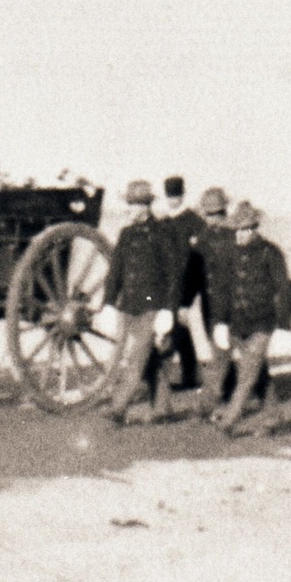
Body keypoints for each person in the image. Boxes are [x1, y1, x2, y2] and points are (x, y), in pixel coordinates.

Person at [211, 203, 291, 436]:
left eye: (245, 230)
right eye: (236, 230)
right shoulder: (228, 253)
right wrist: (219, 321)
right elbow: (221, 289)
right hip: (238, 323)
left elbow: (283, 289)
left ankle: (230, 419)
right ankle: (273, 417)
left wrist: (285, 324)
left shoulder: (271, 252)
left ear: (255, 229)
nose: (240, 234)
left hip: (262, 323)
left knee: (247, 375)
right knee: (258, 372)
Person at [101, 180, 181, 424]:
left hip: (152, 306)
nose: (132, 209)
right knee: (149, 358)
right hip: (129, 306)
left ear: (147, 207)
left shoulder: (162, 233)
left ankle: (118, 408)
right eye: (131, 204)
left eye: (137, 205)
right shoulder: (126, 234)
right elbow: (115, 271)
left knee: (136, 359)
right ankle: (163, 409)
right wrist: (107, 302)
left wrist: (168, 310)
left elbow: (174, 275)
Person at [190, 186, 241, 409]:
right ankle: (229, 391)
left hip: (233, 303)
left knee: (224, 349)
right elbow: (193, 273)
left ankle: (209, 402)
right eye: (209, 215)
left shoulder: (235, 237)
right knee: (219, 347)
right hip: (210, 303)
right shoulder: (201, 239)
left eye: (217, 214)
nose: (213, 219)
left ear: (225, 212)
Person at [158, 175, 209, 393]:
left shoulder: (194, 222)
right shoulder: (163, 222)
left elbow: (201, 257)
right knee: (178, 327)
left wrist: (192, 293)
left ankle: (173, 375)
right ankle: (190, 375)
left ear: (182, 195)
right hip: (167, 282)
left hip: (187, 280)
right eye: (170, 196)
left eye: (176, 196)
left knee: (176, 326)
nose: (173, 200)